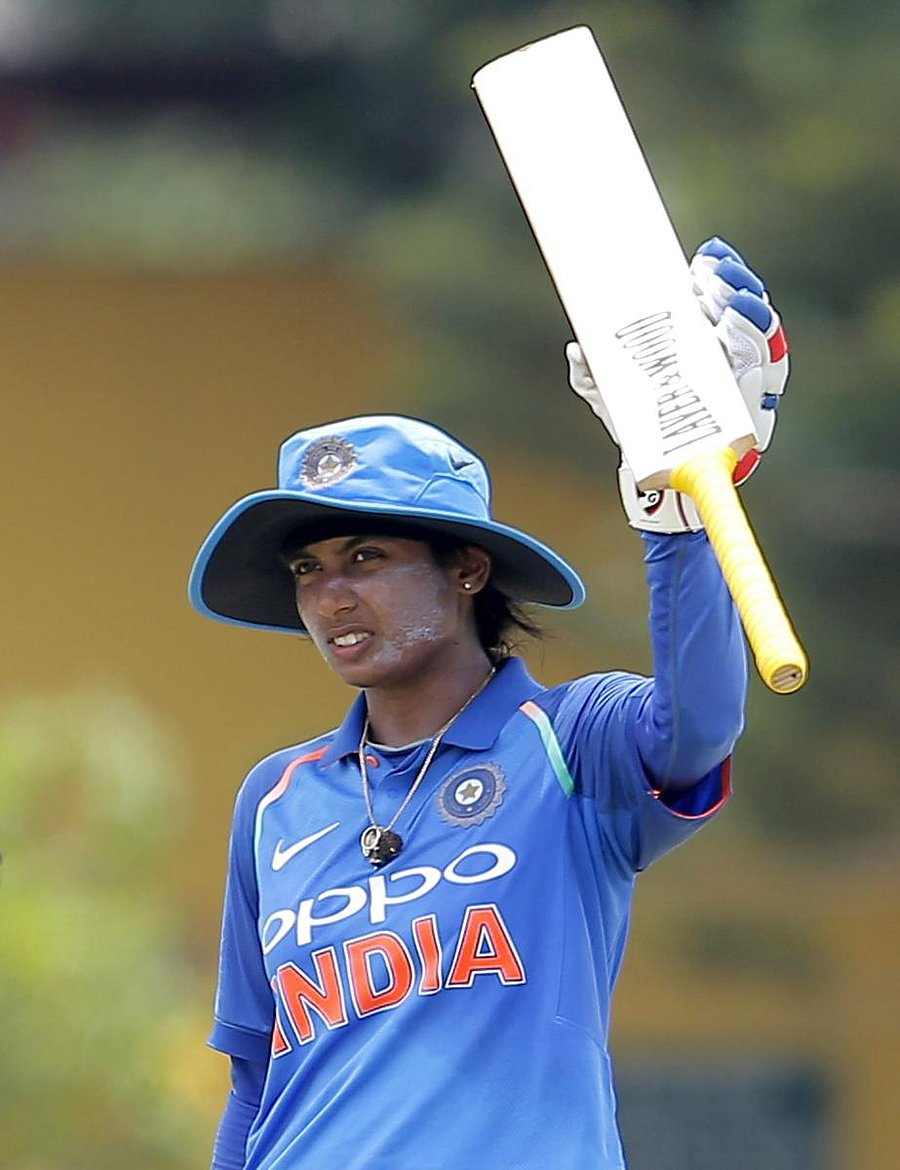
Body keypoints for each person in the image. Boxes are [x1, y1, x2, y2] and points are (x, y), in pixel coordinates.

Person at [189, 237, 790, 1170]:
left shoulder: (569, 741)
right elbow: (255, 1084)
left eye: (367, 558)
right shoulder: (274, 800)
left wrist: (682, 516)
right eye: (308, 569)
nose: (331, 597)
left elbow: (698, 723)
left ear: (467, 568)